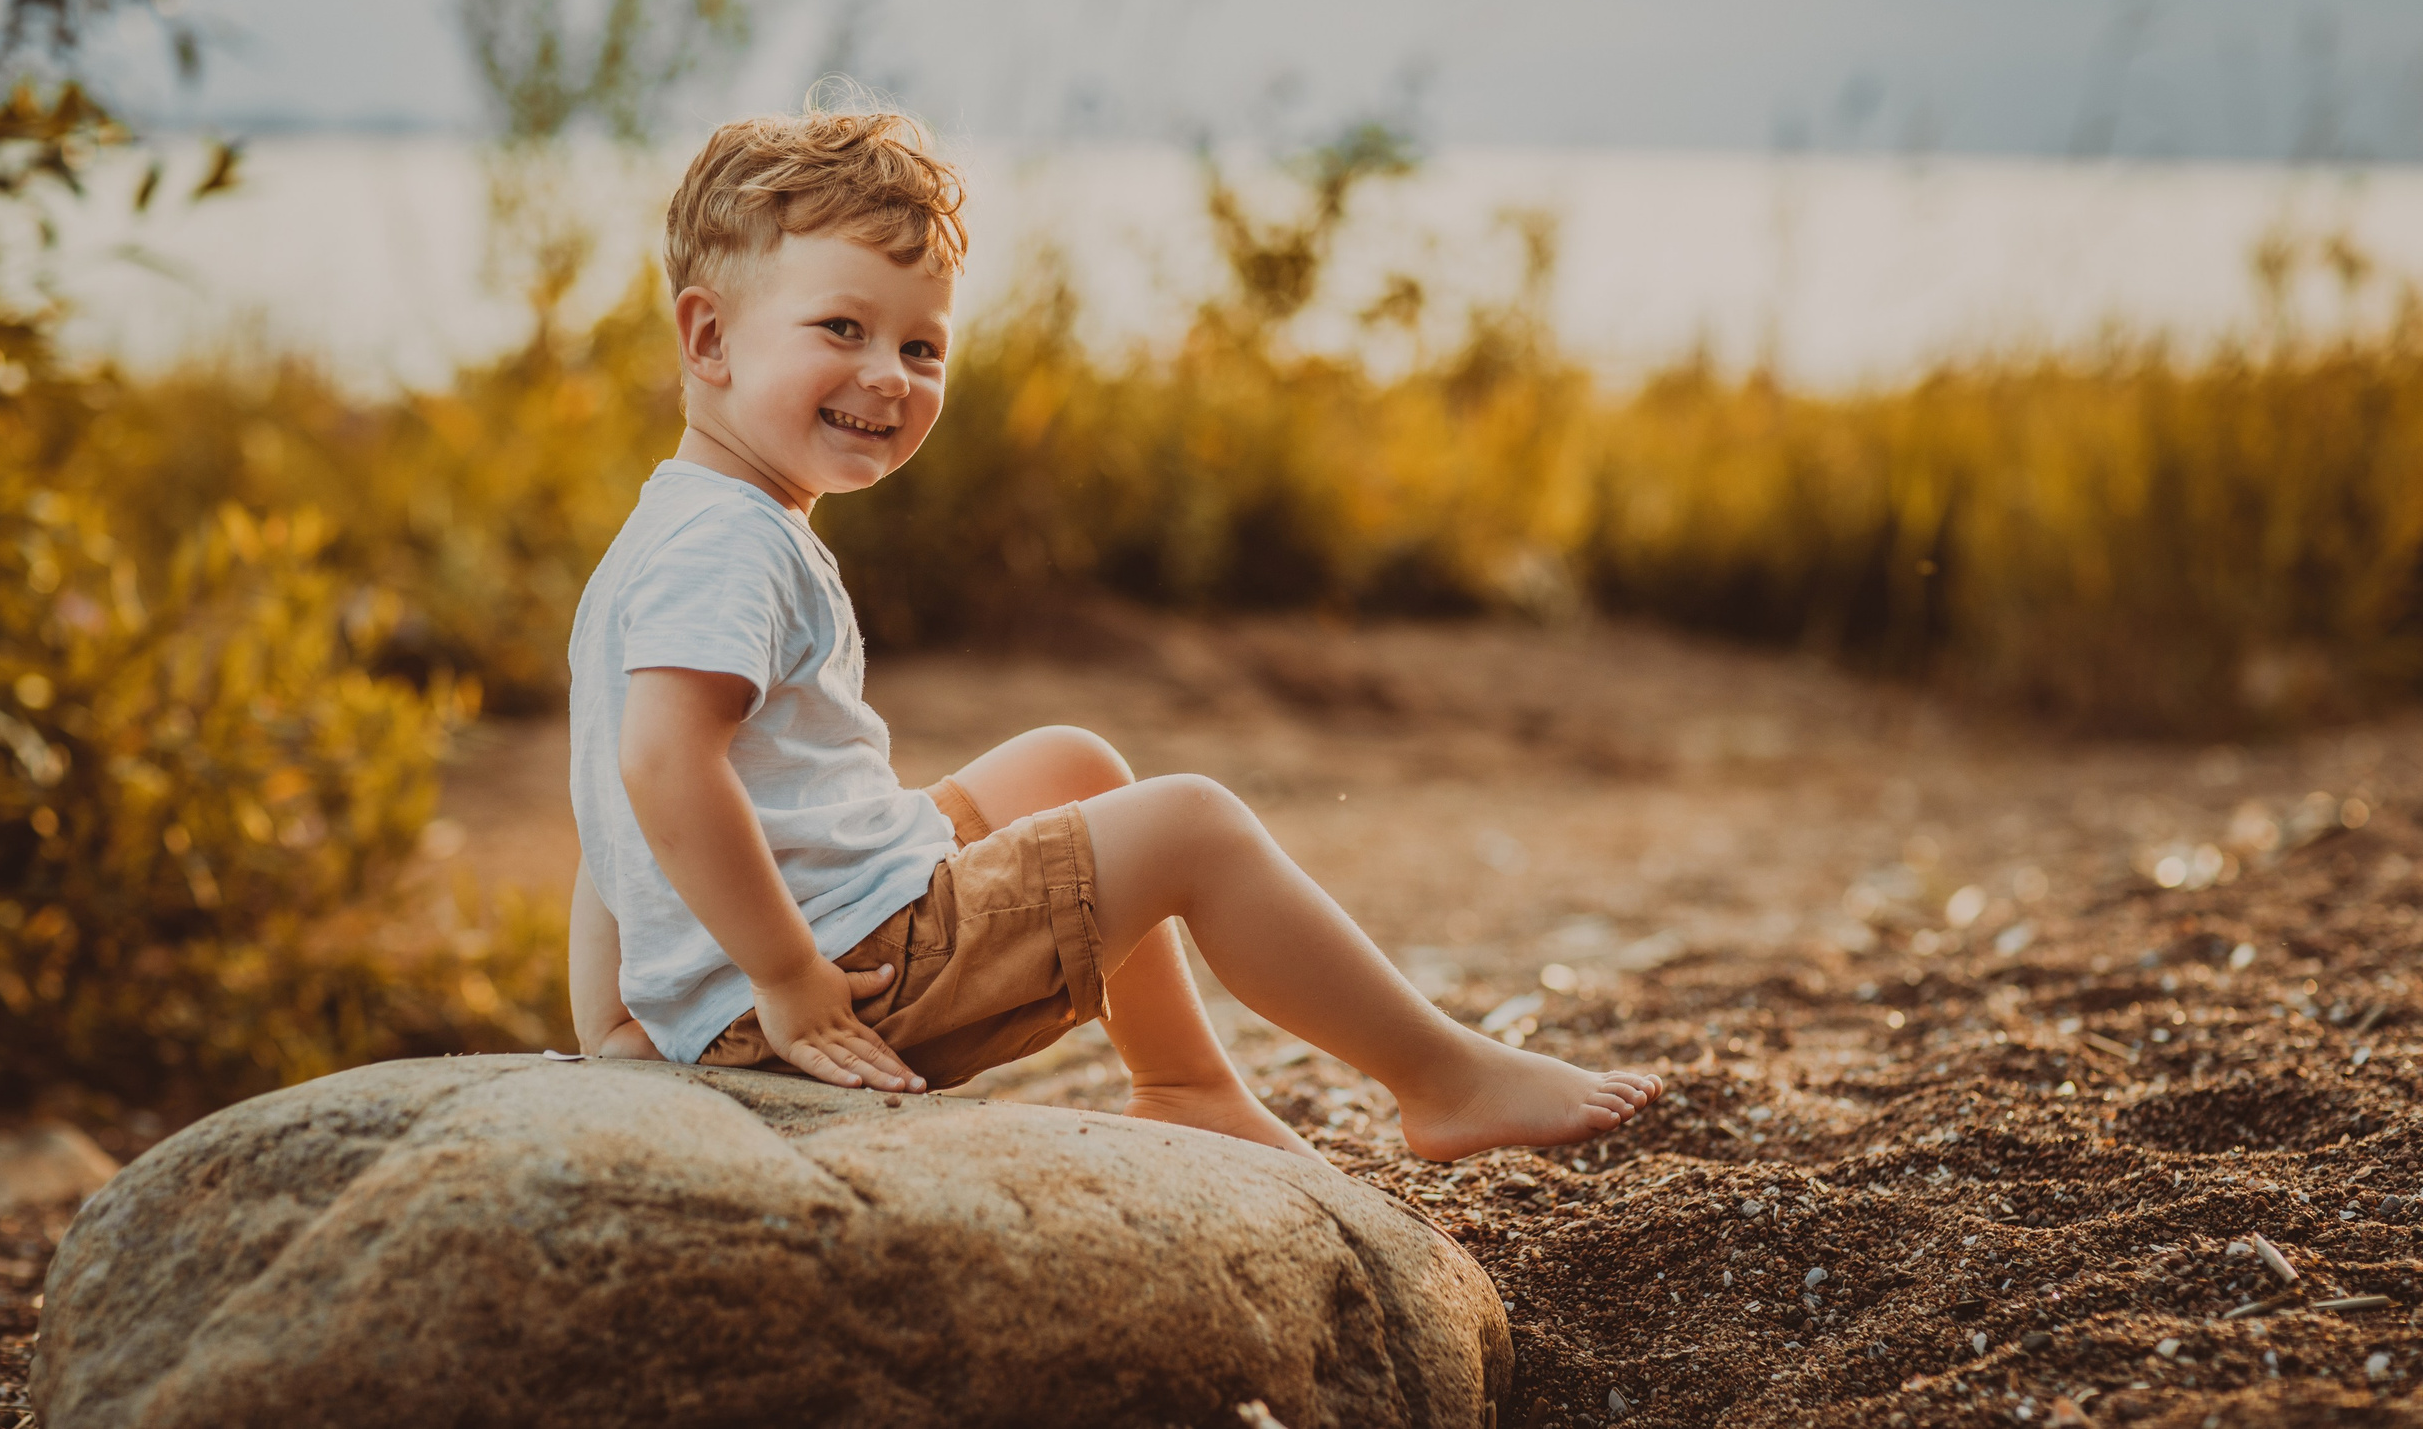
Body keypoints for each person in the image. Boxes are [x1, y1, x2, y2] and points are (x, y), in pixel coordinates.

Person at [565, 103, 1663, 1161]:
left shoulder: (674, 529)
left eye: (923, 346)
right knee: (1189, 825)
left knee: (1072, 763)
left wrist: (617, 1023)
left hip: (780, 960)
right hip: (841, 974)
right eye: (842, 328)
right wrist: (789, 980)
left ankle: (1185, 1087)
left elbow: (607, 812)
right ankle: (1443, 1081)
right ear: (708, 336)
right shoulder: (730, 546)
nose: (887, 375)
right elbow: (661, 767)